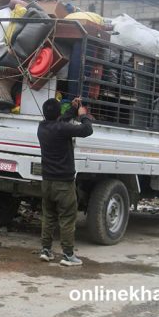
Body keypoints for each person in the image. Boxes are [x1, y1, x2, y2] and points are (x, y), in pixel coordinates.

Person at [37, 97, 93, 267]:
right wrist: (83, 115)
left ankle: (45, 250)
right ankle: (68, 255)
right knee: (67, 218)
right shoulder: (61, 128)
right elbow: (86, 130)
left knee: (48, 216)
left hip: (47, 182)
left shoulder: (42, 127)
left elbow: (59, 121)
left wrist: (72, 109)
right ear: (58, 113)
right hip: (64, 183)